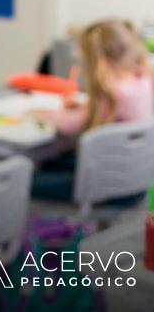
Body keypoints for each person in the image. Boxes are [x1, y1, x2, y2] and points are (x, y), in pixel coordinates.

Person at [31, 19, 154, 200]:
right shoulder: (142, 80)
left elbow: (68, 125)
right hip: (133, 179)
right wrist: (86, 107)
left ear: (99, 60)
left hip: (106, 185)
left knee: (27, 180)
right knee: (54, 162)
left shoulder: (113, 94)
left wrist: (39, 114)